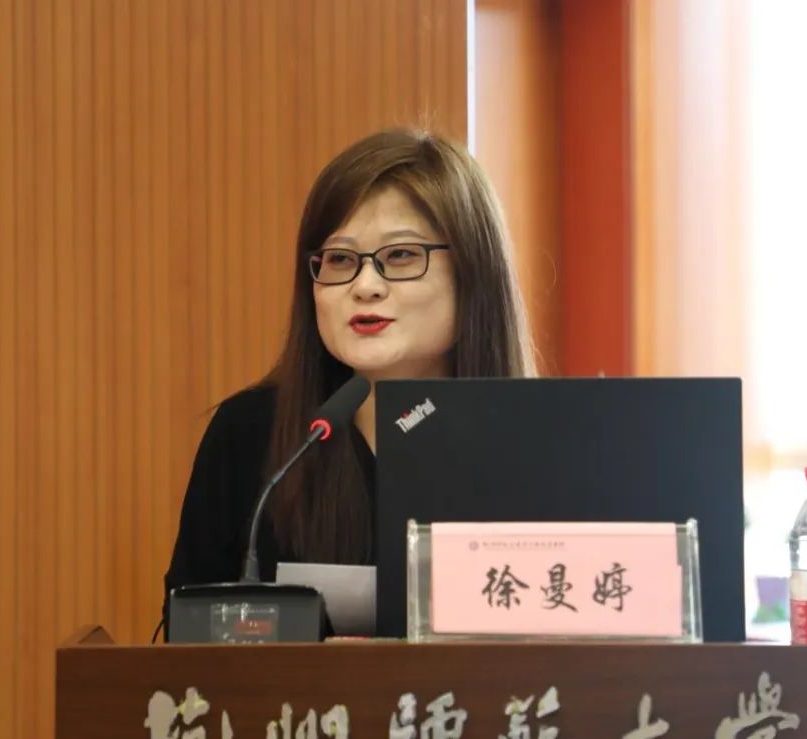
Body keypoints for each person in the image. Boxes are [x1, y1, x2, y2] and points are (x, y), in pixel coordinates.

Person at [161, 128, 535, 629]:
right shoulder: (251, 435)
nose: (365, 286)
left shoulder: (539, 444)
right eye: (340, 259)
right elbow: (186, 633)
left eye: (400, 255)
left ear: (474, 273)